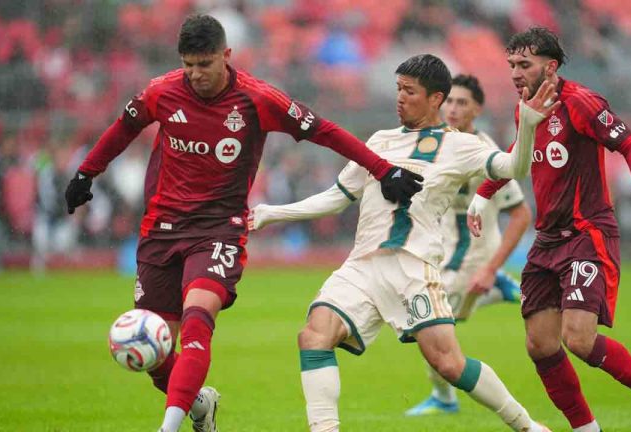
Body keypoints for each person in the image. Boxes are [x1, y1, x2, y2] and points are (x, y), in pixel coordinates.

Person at [63, 15, 423, 432]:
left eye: (204, 64)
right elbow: (123, 128)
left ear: (226, 56)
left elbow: (323, 130)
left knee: (197, 321)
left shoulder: (256, 99)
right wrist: (86, 173)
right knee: (156, 353)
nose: (196, 74)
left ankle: (168, 428)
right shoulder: (162, 92)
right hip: (161, 231)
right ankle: (200, 405)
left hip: (218, 231)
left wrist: (382, 169)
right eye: (188, 65)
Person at [250, 54, 559, 431]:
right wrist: (272, 213)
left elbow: (516, 168)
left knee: (449, 364)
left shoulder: (461, 146)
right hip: (363, 266)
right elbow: (337, 197)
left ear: (435, 99)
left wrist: (527, 127)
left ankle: (527, 425)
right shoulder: (380, 140)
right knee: (314, 335)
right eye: (398, 88)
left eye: (409, 91)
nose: (400, 97)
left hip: (413, 268)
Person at [467, 28, 631, 432]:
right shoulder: (524, 109)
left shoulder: (581, 103)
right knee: (540, 344)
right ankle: (587, 429)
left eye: (524, 65)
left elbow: (630, 144)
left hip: (587, 234)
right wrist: (483, 195)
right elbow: (518, 156)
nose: (515, 73)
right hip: (547, 239)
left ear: (550, 67)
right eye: (511, 65)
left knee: (579, 339)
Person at [404, 74, 533, 416]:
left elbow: (521, 214)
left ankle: (444, 398)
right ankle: (496, 289)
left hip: (473, 257)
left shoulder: (485, 154)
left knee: (425, 318)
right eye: (449, 101)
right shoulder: (439, 141)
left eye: (462, 103)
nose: (453, 108)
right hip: (444, 253)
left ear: (477, 109)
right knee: (427, 320)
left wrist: (489, 267)